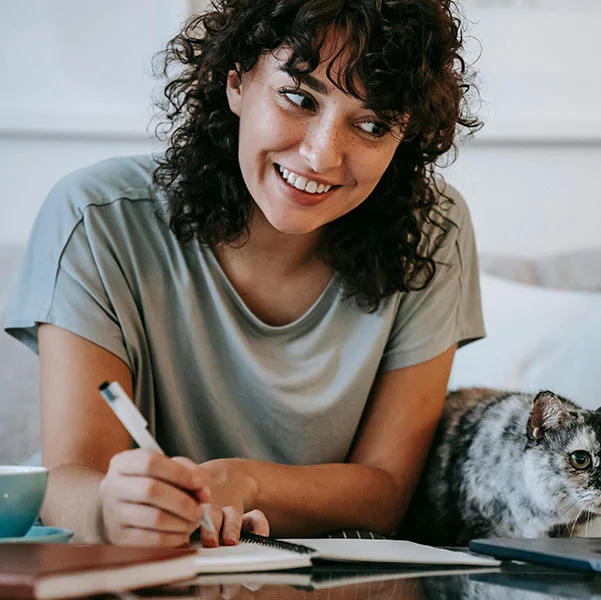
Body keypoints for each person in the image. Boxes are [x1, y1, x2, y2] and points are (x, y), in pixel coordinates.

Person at [4, 0, 483, 547]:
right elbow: (71, 478)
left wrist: (244, 481)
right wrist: (111, 511)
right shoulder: (95, 219)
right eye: (298, 97)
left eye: (372, 124)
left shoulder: (432, 230)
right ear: (236, 81)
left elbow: (385, 490)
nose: (322, 156)